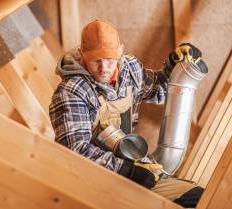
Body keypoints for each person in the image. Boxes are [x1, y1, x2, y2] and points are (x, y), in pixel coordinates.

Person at [49, 19, 205, 208]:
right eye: (96, 60)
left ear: (120, 50)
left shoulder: (130, 70)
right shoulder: (71, 92)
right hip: (91, 183)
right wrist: (127, 171)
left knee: (198, 199)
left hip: (130, 167)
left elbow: (158, 91)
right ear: (82, 54)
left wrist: (173, 67)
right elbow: (76, 151)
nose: (104, 67)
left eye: (110, 59)